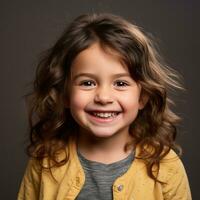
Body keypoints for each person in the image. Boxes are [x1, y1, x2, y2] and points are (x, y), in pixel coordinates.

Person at [18, 13, 192, 200]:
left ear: (142, 97)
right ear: (65, 95)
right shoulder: (44, 161)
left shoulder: (167, 168)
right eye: (87, 83)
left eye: (121, 83)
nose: (103, 97)